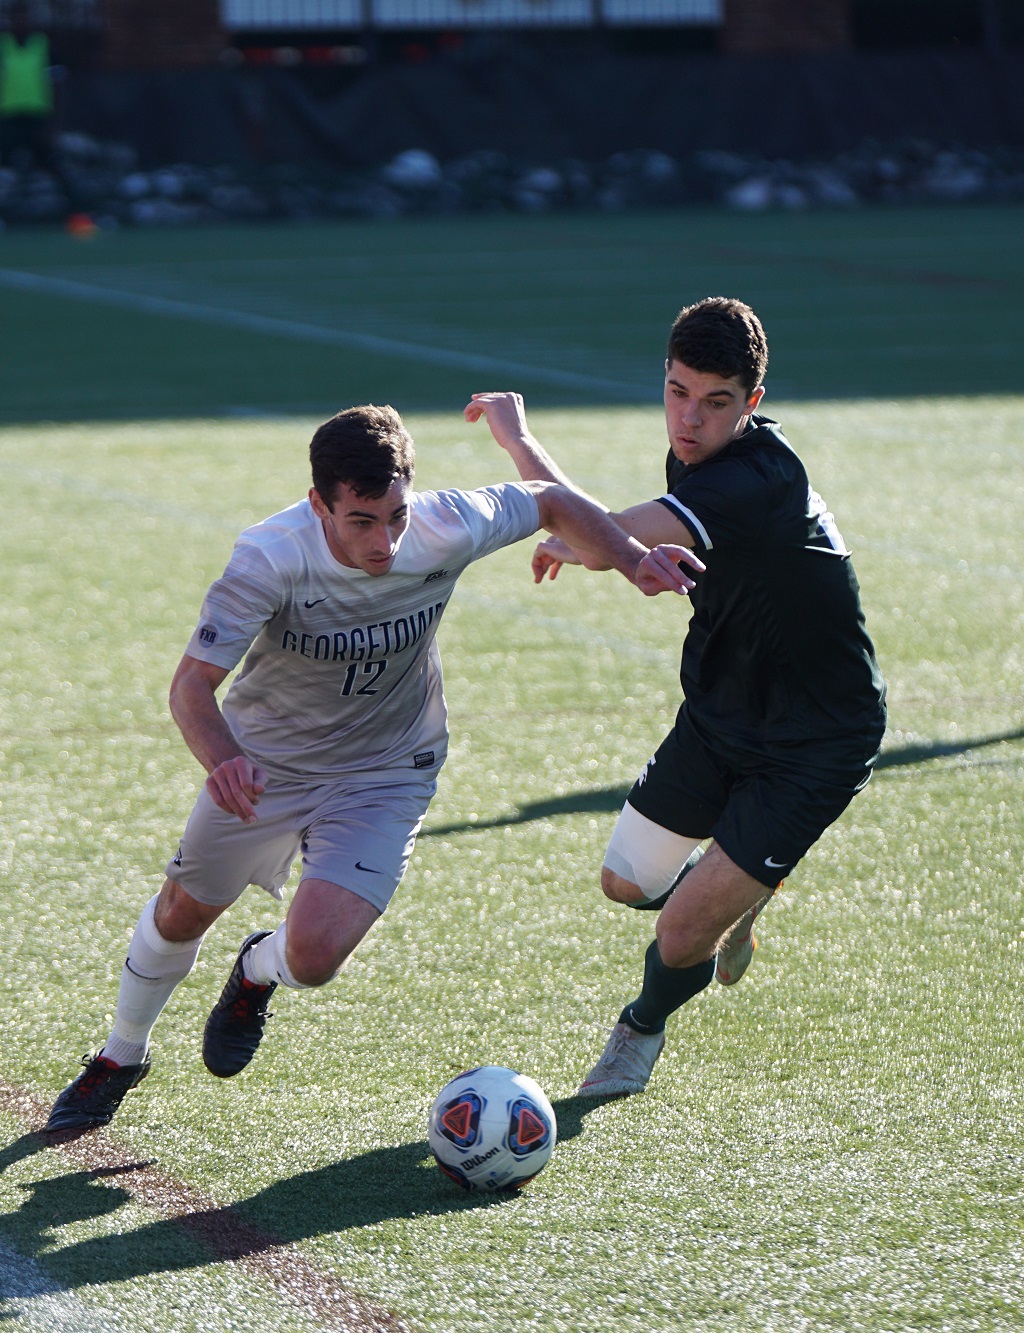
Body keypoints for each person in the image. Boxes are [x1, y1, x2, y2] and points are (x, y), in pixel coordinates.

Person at [45, 403, 699, 1134]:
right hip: (267, 766)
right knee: (182, 911)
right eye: (361, 521)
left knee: (316, 955)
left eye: (396, 515)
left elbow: (551, 500)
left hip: (388, 769)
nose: (385, 541)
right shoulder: (270, 556)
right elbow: (191, 687)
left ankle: (256, 971)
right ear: (320, 502)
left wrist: (633, 558)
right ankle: (122, 1053)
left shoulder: (446, 523)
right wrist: (225, 760)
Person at [465, 296, 887, 1098]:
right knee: (625, 883)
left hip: (815, 741)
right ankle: (741, 883)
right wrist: (590, 535)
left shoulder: (757, 478)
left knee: (681, 927)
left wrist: (520, 443)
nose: (689, 420)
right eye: (677, 392)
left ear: (752, 403)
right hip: (722, 713)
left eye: (716, 401)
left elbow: (604, 534)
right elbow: (610, 535)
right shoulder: (695, 464)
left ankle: (639, 1031)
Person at [0, 0, 93, 233]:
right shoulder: (3, 46)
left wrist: (53, 126)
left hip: (37, 121)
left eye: (24, 17)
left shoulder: (44, 46)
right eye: (15, 18)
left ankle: (80, 217)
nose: (19, 22)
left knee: (57, 169)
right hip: (8, 120)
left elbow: (57, 86)